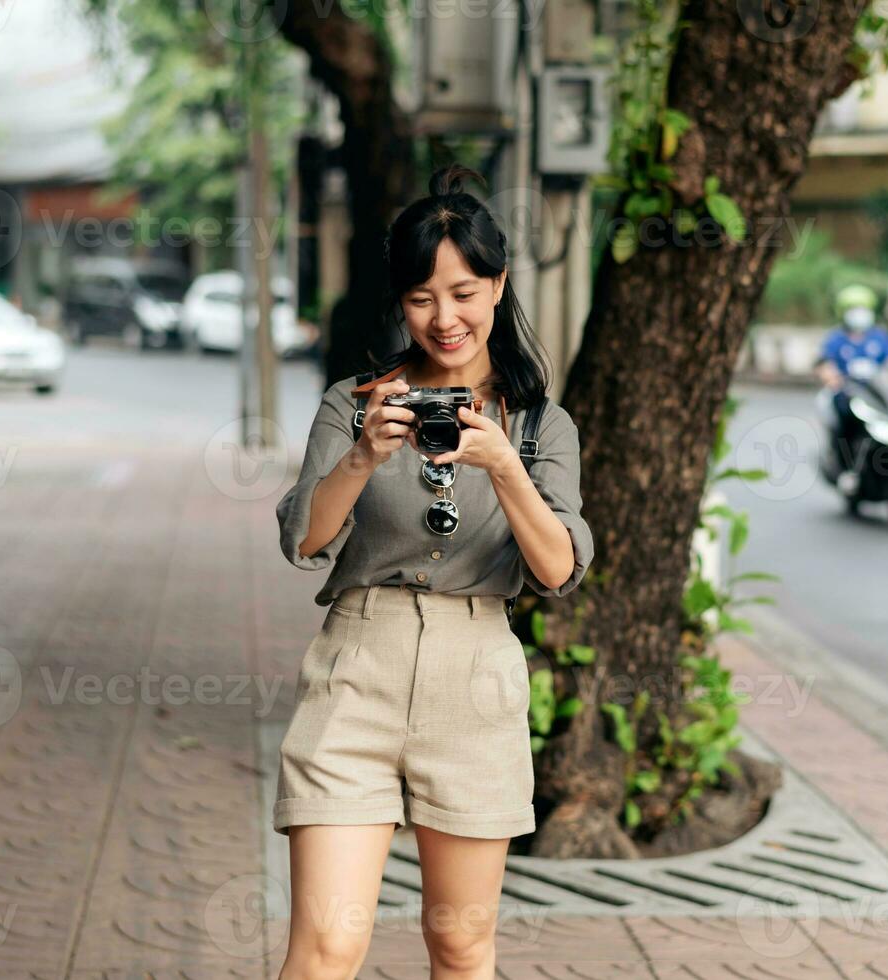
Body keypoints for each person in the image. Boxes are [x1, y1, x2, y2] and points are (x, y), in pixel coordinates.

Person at [272, 164, 594, 980]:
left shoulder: (540, 425)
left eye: (463, 292)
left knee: (459, 945)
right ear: (400, 300)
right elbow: (305, 541)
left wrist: (503, 465)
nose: (443, 318)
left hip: (476, 674)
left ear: (497, 286)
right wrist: (360, 455)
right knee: (325, 948)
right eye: (421, 298)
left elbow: (558, 571)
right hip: (357, 669)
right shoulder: (356, 401)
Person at [814, 283, 888, 474]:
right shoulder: (836, 338)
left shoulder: (879, 336)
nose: (859, 314)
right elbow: (824, 364)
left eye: (863, 309)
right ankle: (844, 466)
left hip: (876, 393)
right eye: (854, 309)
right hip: (849, 394)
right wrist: (830, 376)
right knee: (841, 420)